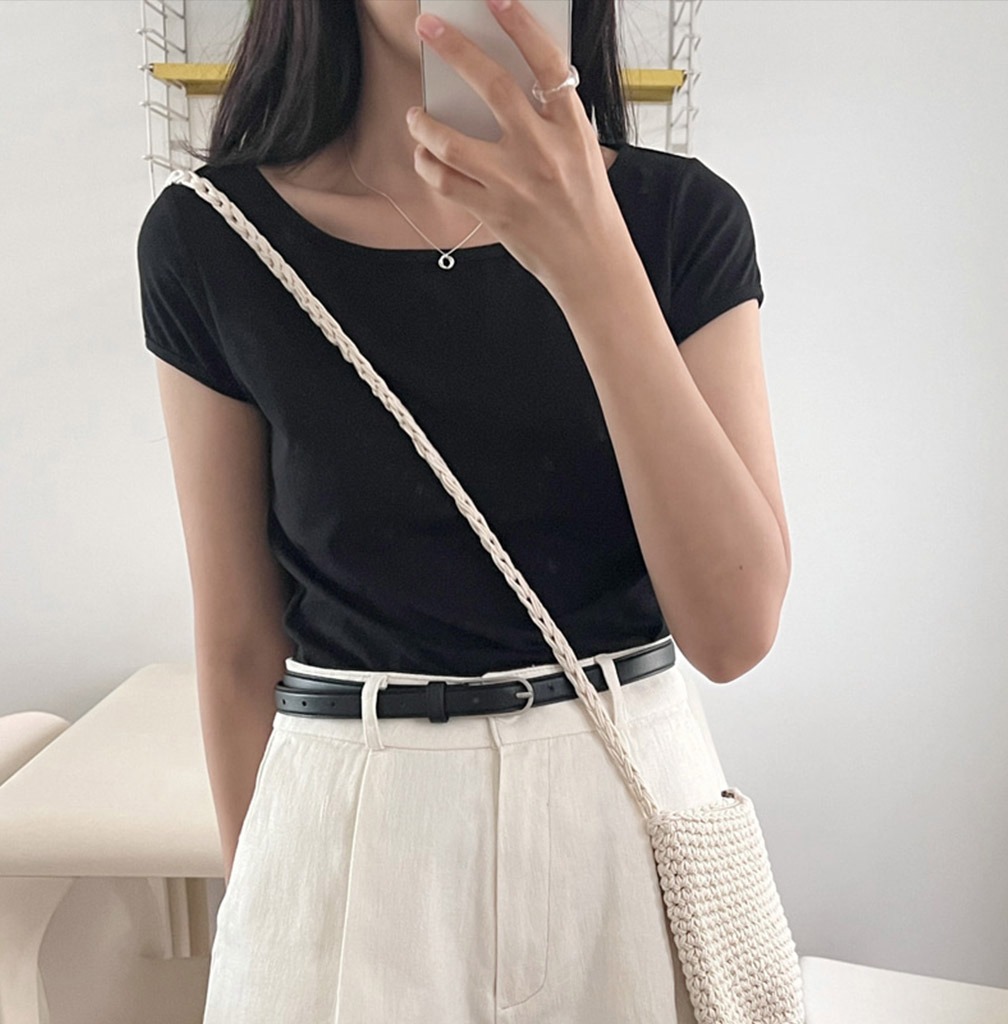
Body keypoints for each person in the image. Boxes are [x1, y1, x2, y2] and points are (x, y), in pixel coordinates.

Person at [136, 1, 791, 1021]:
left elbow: (735, 629)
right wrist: (262, 911)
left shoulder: (678, 218)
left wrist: (592, 259)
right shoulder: (211, 236)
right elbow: (237, 645)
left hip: (625, 817)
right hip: (347, 830)